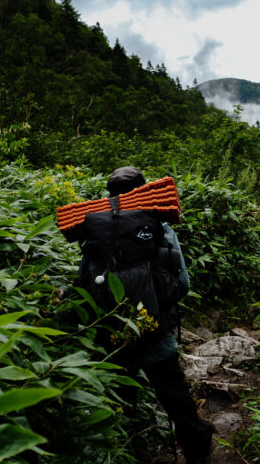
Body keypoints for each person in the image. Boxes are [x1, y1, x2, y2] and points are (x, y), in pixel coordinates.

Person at [87, 166, 214, 462]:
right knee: (175, 398)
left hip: (113, 334)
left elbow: (86, 281)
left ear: (110, 196)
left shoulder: (97, 228)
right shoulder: (159, 226)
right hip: (155, 330)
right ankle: (197, 450)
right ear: (145, 191)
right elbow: (182, 285)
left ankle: (128, 452)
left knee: (119, 401)